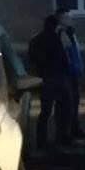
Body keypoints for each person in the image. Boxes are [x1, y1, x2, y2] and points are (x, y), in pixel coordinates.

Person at [29, 14, 73, 150]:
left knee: (45, 111)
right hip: (58, 78)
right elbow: (63, 59)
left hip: (44, 78)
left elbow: (32, 59)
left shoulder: (36, 39)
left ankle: (41, 141)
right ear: (56, 25)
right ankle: (62, 137)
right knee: (63, 109)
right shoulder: (56, 39)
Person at [56, 9, 85, 143]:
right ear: (60, 19)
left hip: (74, 73)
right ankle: (65, 134)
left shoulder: (70, 32)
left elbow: (75, 52)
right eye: (66, 18)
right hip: (66, 74)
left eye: (70, 18)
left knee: (74, 103)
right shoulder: (60, 33)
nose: (70, 20)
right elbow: (66, 55)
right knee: (66, 104)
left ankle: (74, 129)